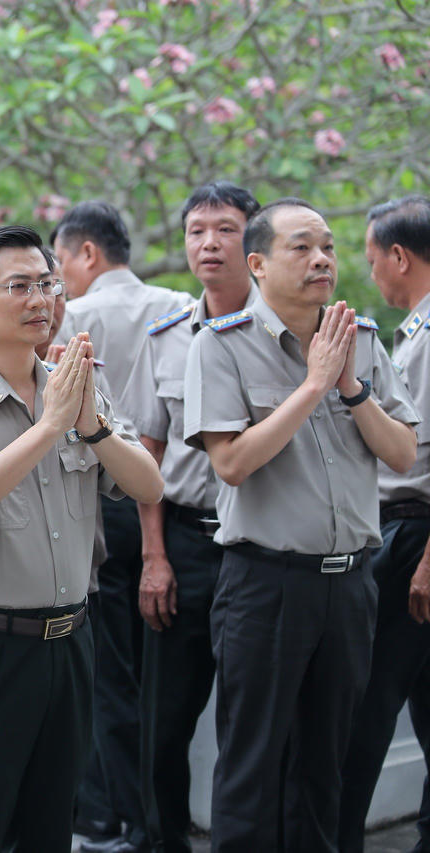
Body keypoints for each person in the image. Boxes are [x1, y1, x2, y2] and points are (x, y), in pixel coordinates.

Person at [0, 224, 161, 851]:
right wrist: (47, 429)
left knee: (52, 826)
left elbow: (149, 487)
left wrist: (92, 427)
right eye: (19, 286)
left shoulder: (78, 384)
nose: (41, 300)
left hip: (69, 644)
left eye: (48, 284)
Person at [183, 198, 419, 850]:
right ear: (256, 263)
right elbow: (230, 462)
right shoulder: (219, 346)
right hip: (265, 583)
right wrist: (312, 386)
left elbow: (401, 451)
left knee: (326, 764)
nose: (322, 259)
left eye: (329, 247)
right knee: (252, 765)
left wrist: (349, 386)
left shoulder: (361, 341)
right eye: (302, 247)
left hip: (349, 585)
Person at [117, 181, 260, 853]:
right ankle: (160, 840)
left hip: (260, 548)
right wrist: (154, 555)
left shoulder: (286, 330)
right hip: (185, 542)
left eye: (226, 229)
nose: (209, 242)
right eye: (197, 229)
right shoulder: (168, 334)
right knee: (163, 719)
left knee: (253, 720)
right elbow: (148, 447)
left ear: (252, 243)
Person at [52, 200, 191, 853]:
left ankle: (116, 814)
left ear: (87, 253)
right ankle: (157, 815)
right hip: (167, 502)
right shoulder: (178, 304)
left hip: (106, 503)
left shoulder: (71, 318)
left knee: (109, 673)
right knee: (158, 673)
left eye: (58, 263)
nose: (55, 283)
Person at [340, 196, 430, 852]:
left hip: (413, 536)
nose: (373, 276)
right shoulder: (415, 330)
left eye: (373, 262)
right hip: (407, 531)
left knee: (363, 712)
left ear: (400, 256)